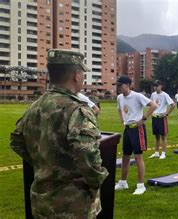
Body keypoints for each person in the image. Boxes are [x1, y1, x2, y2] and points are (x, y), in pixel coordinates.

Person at [10, 49, 108, 217]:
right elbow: (86, 151)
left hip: (42, 201)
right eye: (82, 73)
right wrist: (96, 179)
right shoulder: (77, 109)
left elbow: (17, 141)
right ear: (76, 75)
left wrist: (45, 165)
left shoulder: (36, 106)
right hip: (72, 205)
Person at [114, 75, 157, 195]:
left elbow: (153, 105)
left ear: (127, 85)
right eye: (117, 86)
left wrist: (143, 119)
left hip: (137, 129)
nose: (118, 88)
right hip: (128, 129)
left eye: (120, 85)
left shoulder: (137, 96)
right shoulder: (119, 98)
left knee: (138, 157)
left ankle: (141, 185)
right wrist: (122, 120)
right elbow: (119, 109)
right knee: (125, 156)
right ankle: (123, 182)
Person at [149, 80, 176, 159]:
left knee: (163, 136)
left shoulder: (165, 95)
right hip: (154, 117)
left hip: (161, 118)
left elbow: (173, 105)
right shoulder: (153, 94)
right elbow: (151, 104)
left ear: (161, 86)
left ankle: (163, 153)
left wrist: (166, 113)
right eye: (154, 86)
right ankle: (156, 152)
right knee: (156, 136)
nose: (155, 87)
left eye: (157, 86)